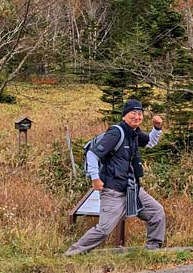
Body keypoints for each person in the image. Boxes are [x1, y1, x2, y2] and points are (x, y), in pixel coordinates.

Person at [65, 99, 165, 255]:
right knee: (104, 229)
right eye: (133, 113)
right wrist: (95, 178)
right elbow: (93, 154)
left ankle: (153, 249)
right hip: (113, 191)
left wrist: (157, 128)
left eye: (140, 114)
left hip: (132, 189)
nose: (137, 117)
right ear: (125, 115)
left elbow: (150, 143)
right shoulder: (116, 132)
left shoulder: (134, 133)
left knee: (156, 212)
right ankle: (72, 253)